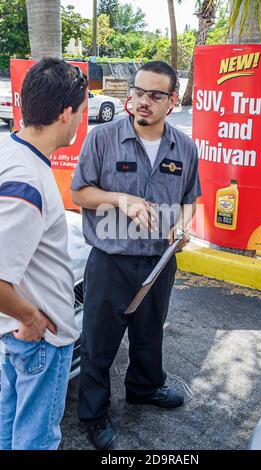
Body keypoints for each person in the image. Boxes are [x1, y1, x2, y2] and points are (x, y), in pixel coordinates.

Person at [71, 60, 201, 450]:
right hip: (111, 260)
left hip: (160, 260)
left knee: (149, 334)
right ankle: (94, 415)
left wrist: (182, 225)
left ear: (173, 101)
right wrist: (119, 198)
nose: (142, 102)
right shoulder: (103, 139)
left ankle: (144, 387)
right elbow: (79, 192)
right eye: (138, 92)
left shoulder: (184, 146)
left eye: (154, 95)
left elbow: (190, 198)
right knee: (99, 342)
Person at [0, 57, 88, 450]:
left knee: (9, 431)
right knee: (35, 441)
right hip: (39, 340)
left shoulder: (12, 152)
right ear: (65, 114)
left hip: (20, 335)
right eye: (82, 112)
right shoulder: (27, 182)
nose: (82, 120)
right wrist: (31, 318)